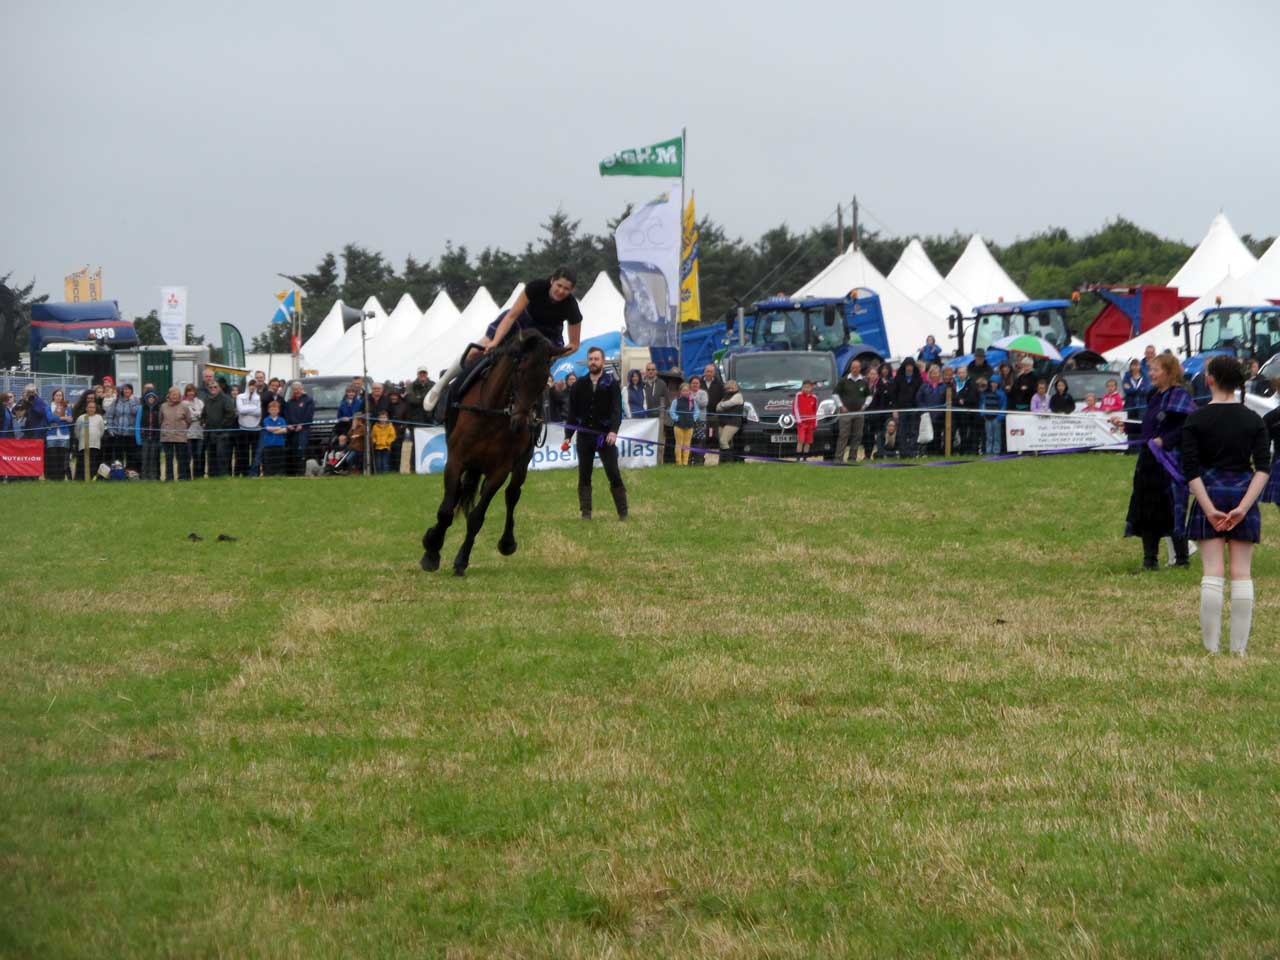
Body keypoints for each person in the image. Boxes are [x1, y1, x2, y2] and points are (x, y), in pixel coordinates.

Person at [1182, 355, 1271, 655]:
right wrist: (1244, 507)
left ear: (1210, 380)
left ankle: (1211, 649)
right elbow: (1263, 469)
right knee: (1242, 573)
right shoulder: (1254, 420)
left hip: (1209, 492)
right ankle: (1238, 650)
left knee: (1213, 571)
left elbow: (1190, 471)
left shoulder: (1195, 419)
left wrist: (1207, 508)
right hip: (1243, 492)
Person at [426, 267, 583, 410]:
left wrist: (553, 354)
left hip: (547, 335)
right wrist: (494, 342)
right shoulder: (535, 287)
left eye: (566, 289)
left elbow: (574, 345)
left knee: (537, 374)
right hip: (521, 322)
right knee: (475, 351)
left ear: (571, 290)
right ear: (552, 281)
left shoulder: (572, 307)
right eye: (559, 286)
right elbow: (511, 316)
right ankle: (440, 385)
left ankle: (535, 415)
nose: (561, 291)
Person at [1115, 353, 1195, 570]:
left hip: (1169, 463)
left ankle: (1182, 560)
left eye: (1155, 370)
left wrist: (1164, 441)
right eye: (1150, 370)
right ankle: (1149, 561)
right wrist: (1128, 427)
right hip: (1148, 462)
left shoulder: (1179, 395)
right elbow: (1149, 428)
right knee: (1147, 509)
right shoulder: (1154, 396)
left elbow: (1187, 426)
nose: (1151, 374)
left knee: (1171, 509)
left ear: (1169, 372)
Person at [562, 346, 626, 519]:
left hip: (605, 437)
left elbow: (616, 411)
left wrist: (613, 431)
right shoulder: (578, 385)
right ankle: (586, 512)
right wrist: (568, 436)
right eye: (591, 359)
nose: (593, 362)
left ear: (603, 362)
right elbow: (573, 414)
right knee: (584, 474)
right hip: (584, 437)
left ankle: (623, 512)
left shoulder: (611, 383)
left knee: (613, 473)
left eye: (596, 359)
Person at [834, 358, 868, 463]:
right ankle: (839, 458)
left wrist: (865, 406)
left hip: (859, 413)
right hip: (846, 413)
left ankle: (852, 458)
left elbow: (869, 395)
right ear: (850, 368)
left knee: (857, 436)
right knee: (843, 435)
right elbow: (835, 394)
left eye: (857, 367)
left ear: (860, 368)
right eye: (853, 367)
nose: (854, 369)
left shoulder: (863, 381)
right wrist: (841, 406)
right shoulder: (844, 380)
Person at [202, 380, 236, 477]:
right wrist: (203, 421)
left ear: (219, 388)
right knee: (211, 456)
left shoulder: (226, 399)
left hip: (223, 433)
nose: (213, 389)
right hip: (210, 432)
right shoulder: (207, 399)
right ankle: (213, 476)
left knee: (222, 456)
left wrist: (221, 426)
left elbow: (230, 414)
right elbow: (204, 414)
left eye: (215, 387)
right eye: (211, 387)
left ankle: (223, 476)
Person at [890, 357, 923, 457]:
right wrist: (895, 409)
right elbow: (894, 394)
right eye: (907, 366)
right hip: (902, 408)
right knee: (902, 431)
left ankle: (912, 452)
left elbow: (921, 394)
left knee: (914, 431)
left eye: (911, 366)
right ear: (904, 367)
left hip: (914, 409)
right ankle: (903, 452)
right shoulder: (898, 378)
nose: (909, 368)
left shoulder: (918, 379)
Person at [158, 386, 192, 481]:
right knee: (168, 458)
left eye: (176, 395)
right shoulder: (163, 406)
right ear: (169, 395)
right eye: (173, 394)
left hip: (180, 437)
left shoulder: (184, 406)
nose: (175, 397)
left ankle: (182, 477)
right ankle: (169, 478)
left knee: (181, 458)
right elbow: (160, 420)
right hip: (167, 437)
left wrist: (182, 428)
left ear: (179, 395)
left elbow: (189, 420)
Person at [103, 382, 139, 471]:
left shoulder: (136, 401)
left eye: (128, 389)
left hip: (131, 433)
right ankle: (119, 473)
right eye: (125, 389)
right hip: (118, 433)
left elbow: (135, 412)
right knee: (118, 455)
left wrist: (131, 401)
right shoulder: (116, 401)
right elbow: (110, 416)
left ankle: (130, 473)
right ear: (122, 390)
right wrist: (111, 429)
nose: (126, 390)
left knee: (130, 456)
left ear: (132, 391)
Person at [284, 381, 314, 477]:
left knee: (301, 451)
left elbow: (309, 414)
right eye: (294, 389)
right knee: (293, 451)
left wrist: (302, 424)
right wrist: (288, 424)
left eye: (298, 389)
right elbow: (286, 415)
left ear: (302, 389)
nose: (296, 391)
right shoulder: (289, 402)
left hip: (303, 430)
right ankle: (293, 473)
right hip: (292, 431)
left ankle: (301, 472)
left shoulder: (308, 400)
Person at [640, 362, 669, 462]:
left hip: (658, 419)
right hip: (644, 418)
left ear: (656, 371)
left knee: (658, 441)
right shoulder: (641, 383)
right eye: (648, 369)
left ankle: (658, 461)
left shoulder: (662, 384)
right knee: (645, 440)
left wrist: (664, 416)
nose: (651, 372)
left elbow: (667, 402)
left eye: (653, 369)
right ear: (645, 371)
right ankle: (644, 460)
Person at [916, 366, 946, 455]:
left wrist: (941, 410)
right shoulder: (924, 386)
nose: (935, 375)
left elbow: (946, 400)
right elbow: (919, 399)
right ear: (930, 374)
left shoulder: (944, 386)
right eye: (933, 373)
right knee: (927, 434)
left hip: (939, 415)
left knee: (937, 434)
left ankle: (937, 452)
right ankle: (927, 452)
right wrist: (924, 409)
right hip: (927, 415)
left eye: (937, 373)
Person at [668, 382, 700, 466]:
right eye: (684, 390)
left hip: (689, 425)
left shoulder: (692, 401)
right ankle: (679, 462)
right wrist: (677, 418)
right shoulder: (676, 401)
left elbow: (697, 411)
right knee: (679, 443)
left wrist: (693, 418)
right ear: (680, 391)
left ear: (690, 391)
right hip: (678, 425)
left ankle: (685, 462)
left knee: (687, 444)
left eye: (687, 390)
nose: (686, 392)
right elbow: (671, 411)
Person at [235, 380, 262, 476]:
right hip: (243, 428)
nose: (252, 387)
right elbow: (241, 410)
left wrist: (247, 409)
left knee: (255, 453)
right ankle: (244, 472)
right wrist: (252, 409)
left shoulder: (258, 398)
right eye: (250, 385)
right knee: (243, 452)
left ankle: (255, 473)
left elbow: (259, 412)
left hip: (255, 428)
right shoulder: (240, 396)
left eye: (254, 385)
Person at [74, 397, 105, 479]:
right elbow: (77, 431)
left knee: (93, 462)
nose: (91, 409)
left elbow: (102, 430)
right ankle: (81, 478)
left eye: (93, 407)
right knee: (82, 462)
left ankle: (92, 477)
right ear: (86, 408)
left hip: (95, 445)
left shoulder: (99, 418)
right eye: (90, 407)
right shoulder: (81, 418)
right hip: (83, 445)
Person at [135, 389, 162, 480]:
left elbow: (161, 423)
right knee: (144, 457)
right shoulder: (141, 408)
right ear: (146, 398)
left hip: (155, 437)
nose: (151, 399)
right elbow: (137, 424)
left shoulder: (159, 409)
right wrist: (138, 438)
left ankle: (153, 476)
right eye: (149, 397)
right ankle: (144, 476)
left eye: (153, 397)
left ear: (155, 398)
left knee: (154, 458)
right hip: (144, 437)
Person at [716, 379, 744, 462]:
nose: (730, 390)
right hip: (722, 422)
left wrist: (722, 405)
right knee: (723, 443)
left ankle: (728, 461)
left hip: (733, 422)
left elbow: (729, 403)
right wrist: (722, 405)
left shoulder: (738, 395)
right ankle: (722, 462)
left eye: (732, 388)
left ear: (736, 388)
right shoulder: (725, 396)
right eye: (728, 388)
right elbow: (717, 408)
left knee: (723, 441)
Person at [977, 376, 1006, 455]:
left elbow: (1003, 405)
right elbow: (982, 403)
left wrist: (1000, 417)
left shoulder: (1001, 394)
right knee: (989, 436)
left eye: (995, 383)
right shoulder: (985, 393)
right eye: (992, 382)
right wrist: (983, 414)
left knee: (997, 436)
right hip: (987, 417)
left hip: (997, 418)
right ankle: (988, 451)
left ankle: (996, 451)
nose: (994, 384)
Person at [259, 399, 289, 476]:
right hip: (268, 445)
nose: (273, 411)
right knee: (268, 461)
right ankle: (268, 475)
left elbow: (285, 430)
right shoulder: (266, 419)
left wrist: (274, 430)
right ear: (268, 410)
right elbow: (268, 428)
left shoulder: (282, 419)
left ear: (278, 410)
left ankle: (280, 474)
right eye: (272, 409)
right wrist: (279, 428)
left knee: (279, 461)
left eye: (275, 409)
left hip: (279, 444)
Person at [183, 384, 205, 478]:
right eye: (188, 391)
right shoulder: (183, 403)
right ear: (186, 392)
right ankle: (187, 477)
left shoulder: (200, 402)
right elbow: (188, 417)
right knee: (188, 456)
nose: (191, 393)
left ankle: (197, 477)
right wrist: (197, 415)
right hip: (188, 434)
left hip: (199, 433)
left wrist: (195, 415)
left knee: (198, 456)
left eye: (192, 391)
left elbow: (203, 415)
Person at [385, 386, 409, 473]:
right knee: (388, 451)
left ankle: (396, 469)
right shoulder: (387, 404)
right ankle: (388, 469)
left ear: (398, 396)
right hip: (386, 432)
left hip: (399, 432)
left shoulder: (404, 405)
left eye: (395, 395)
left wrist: (403, 426)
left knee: (397, 452)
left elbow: (407, 418)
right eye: (392, 395)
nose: (393, 397)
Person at [793, 380, 818, 461]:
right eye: (805, 387)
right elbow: (795, 408)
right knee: (801, 440)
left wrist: (815, 422)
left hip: (810, 423)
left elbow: (815, 411)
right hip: (802, 423)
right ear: (802, 387)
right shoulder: (798, 395)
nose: (806, 389)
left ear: (811, 388)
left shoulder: (814, 397)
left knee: (808, 441)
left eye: (808, 387)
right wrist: (798, 420)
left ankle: (805, 458)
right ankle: (798, 458)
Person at [702, 363, 724, 452]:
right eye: (707, 371)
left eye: (711, 372)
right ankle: (702, 450)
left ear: (714, 373)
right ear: (704, 372)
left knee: (713, 433)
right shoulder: (699, 382)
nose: (709, 373)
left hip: (714, 414)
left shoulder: (719, 384)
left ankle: (713, 450)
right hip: (702, 414)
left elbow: (723, 397)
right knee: (703, 433)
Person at [371, 410, 396, 474]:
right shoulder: (375, 426)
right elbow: (373, 436)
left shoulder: (390, 426)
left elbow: (392, 436)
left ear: (387, 418)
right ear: (378, 418)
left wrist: (388, 441)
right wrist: (375, 441)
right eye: (381, 417)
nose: (382, 419)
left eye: (384, 417)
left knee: (385, 462)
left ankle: (385, 473)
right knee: (378, 462)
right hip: (378, 447)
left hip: (386, 447)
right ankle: (379, 473)